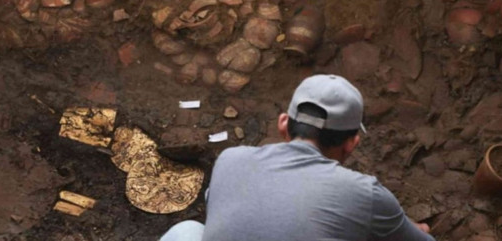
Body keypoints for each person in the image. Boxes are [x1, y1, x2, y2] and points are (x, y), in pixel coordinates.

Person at [160, 74, 435, 241]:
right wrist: (407, 227)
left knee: (187, 232)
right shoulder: (365, 193)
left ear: (283, 124)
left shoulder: (230, 159)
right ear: (352, 143)